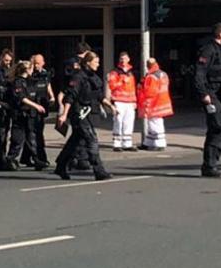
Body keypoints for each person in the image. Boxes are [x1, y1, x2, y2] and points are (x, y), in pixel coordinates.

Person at [54, 52, 113, 181]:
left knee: (75, 141)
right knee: (92, 140)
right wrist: (64, 114)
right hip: (79, 113)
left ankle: (61, 165)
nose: (98, 64)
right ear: (88, 62)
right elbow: (70, 96)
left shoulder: (93, 77)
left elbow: (99, 95)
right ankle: (99, 170)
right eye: (96, 62)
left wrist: (110, 106)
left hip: (89, 113)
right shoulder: (78, 77)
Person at [195, 23, 221, 178]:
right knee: (220, 128)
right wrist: (204, 94)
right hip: (210, 94)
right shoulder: (208, 50)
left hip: (218, 94)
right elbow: (199, 73)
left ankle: (209, 166)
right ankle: (210, 166)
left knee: (215, 129)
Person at [6, 61, 48, 171]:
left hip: (30, 114)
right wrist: (36, 106)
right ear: (27, 70)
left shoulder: (29, 81)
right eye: (31, 69)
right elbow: (22, 98)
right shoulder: (17, 82)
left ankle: (36, 159)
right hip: (20, 114)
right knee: (18, 138)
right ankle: (11, 158)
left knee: (31, 138)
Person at [21, 54, 55, 167]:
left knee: (36, 131)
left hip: (42, 105)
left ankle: (25, 157)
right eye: (35, 63)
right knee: (35, 133)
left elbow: (47, 85)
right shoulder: (30, 74)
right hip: (32, 106)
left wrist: (52, 96)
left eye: (38, 63)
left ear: (43, 63)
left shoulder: (45, 74)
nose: (36, 65)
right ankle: (40, 158)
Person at [137, 58, 174, 150]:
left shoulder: (151, 76)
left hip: (154, 103)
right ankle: (148, 142)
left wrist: (141, 88)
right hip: (163, 101)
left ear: (148, 65)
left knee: (155, 123)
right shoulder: (163, 74)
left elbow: (150, 92)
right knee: (155, 122)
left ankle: (159, 143)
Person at [107, 52, 138, 152]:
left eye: (125, 58)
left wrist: (134, 101)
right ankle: (117, 144)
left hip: (130, 102)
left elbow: (133, 88)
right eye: (121, 59)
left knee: (129, 122)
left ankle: (127, 143)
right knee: (118, 121)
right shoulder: (115, 72)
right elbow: (111, 85)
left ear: (128, 59)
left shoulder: (131, 72)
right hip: (119, 101)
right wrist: (121, 81)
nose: (123, 60)